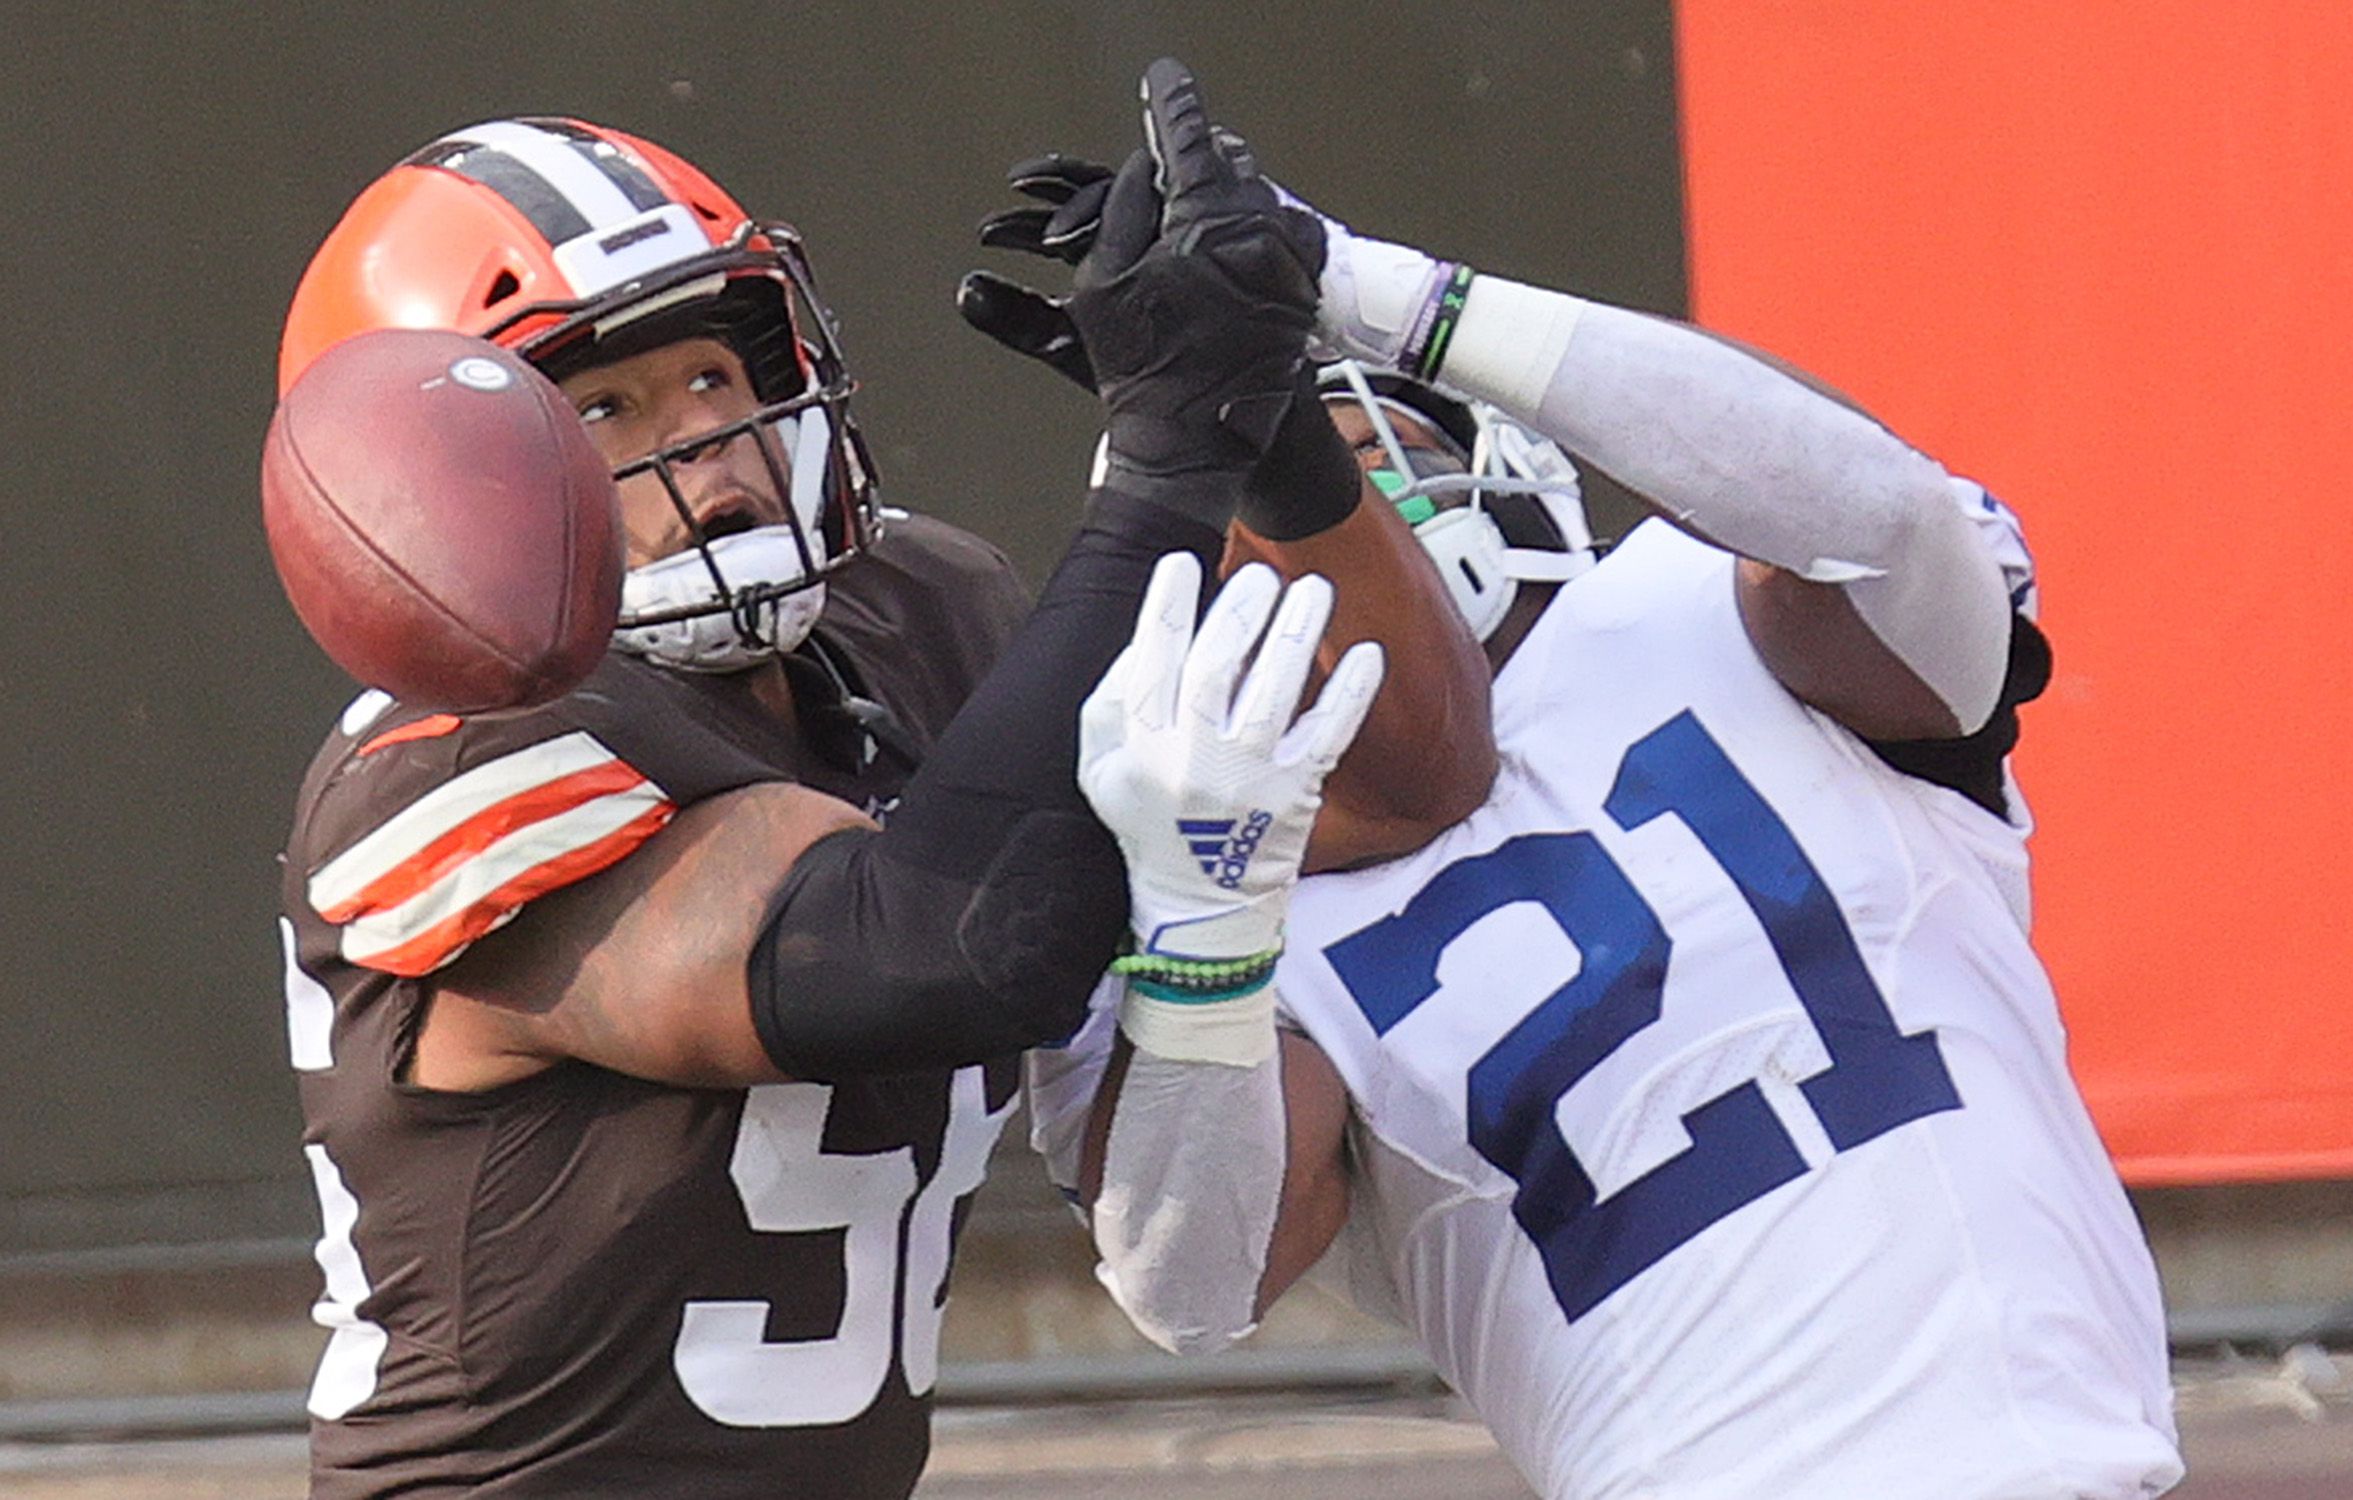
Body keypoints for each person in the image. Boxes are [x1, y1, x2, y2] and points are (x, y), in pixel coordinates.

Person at [271, 63, 1492, 1498]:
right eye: (600, 409)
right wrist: (1165, 472)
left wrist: (1264, 432)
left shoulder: (914, 613)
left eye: (715, 376)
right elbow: (937, 948)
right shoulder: (452, 758)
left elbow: (1410, 780)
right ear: (426, 488)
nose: (708, 454)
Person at [1022, 168, 2187, 1497]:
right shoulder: (1213, 869)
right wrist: (1206, 919)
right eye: (1267, 525)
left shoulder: (1703, 603)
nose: (1340, 538)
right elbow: (1191, 1281)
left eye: (1355, 466)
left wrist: (1359, 286)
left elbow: (1889, 520)